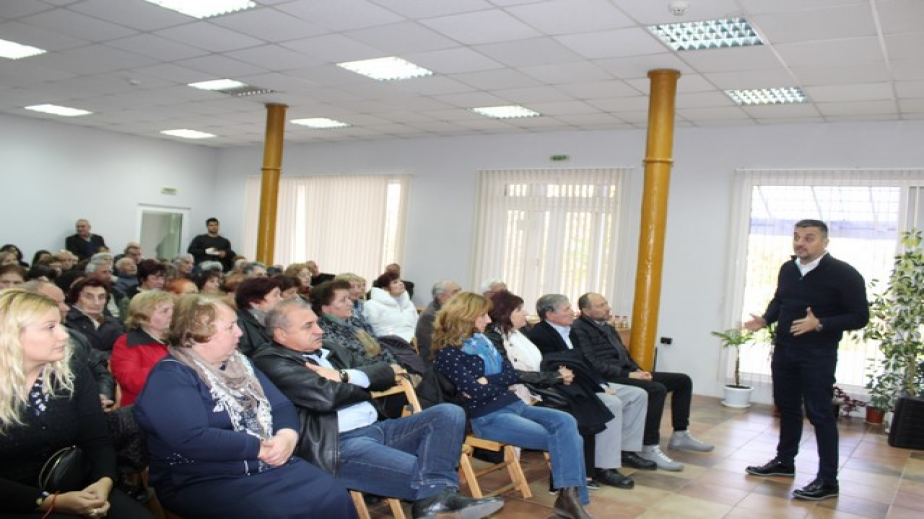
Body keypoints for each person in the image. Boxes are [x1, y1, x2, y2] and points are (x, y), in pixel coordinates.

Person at [253, 299, 504, 519]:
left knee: (449, 412)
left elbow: (384, 372)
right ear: (281, 335)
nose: (319, 330)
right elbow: (326, 397)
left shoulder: (331, 348)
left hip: (380, 428)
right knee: (427, 475)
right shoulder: (271, 360)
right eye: (308, 326)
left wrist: (342, 376)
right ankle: (435, 500)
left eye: (317, 323)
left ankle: (432, 504)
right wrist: (364, 385)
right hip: (339, 443)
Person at [133, 294, 357, 518]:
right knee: (277, 512)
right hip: (202, 476)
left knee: (334, 494)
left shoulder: (240, 363)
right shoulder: (171, 376)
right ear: (199, 332)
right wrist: (259, 448)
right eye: (230, 327)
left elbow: (281, 406)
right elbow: (191, 438)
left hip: (265, 461)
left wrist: (287, 437)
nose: (239, 332)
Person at [433, 292, 594, 519]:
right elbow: (478, 391)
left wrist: (487, 380)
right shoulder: (448, 353)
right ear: (465, 317)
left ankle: (569, 501)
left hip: (515, 405)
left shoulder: (484, 342)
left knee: (566, 420)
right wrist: (492, 383)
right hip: (488, 417)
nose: (489, 320)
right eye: (483, 315)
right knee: (569, 439)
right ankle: (571, 502)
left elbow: (510, 375)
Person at [744, 219, 869, 501]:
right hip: (784, 349)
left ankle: (828, 481)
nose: (800, 243)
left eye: (809, 238)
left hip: (818, 354)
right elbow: (780, 300)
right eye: (797, 236)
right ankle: (784, 462)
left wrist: (820, 323)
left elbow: (860, 317)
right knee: (787, 407)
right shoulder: (788, 269)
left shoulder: (844, 274)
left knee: (820, 413)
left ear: (825, 242)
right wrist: (765, 319)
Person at [0, 289, 152, 518]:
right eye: (50, 327)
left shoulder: (70, 373)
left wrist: (104, 481)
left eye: (60, 325)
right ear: (10, 335)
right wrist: (49, 501)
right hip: (14, 499)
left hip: (75, 482)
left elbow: (97, 439)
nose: (64, 335)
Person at [485, 290, 635, 490]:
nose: (525, 313)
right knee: (575, 411)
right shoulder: (496, 337)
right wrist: (555, 376)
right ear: (505, 314)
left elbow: (559, 363)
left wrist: (559, 375)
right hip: (520, 394)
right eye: (519, 310)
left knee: (585, 404)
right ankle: (570, 479)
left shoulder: (521, 333)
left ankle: (584, 472)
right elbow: (512, 374)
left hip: (539, 387)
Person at [572, 292, 714, 459]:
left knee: (683, 381)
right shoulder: (578, 329)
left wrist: (639, 371)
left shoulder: (607, 327)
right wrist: (628, 374)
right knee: (656, 389)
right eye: (601, 306)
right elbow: (592, 364)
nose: (608, 308)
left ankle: (680, 434)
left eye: (606, 303)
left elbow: (625, 355)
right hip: (608, 377)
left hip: (626, 372)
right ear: (586, 311)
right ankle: (648, 445)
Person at [527, 295, 658, 472]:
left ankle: (626, 451)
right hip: (568, 388)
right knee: (612, 403)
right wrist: (599, 388)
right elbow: (560, 370)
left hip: (588, 382)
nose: (573, 312)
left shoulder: (571, 331)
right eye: (567, 309)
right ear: (550, 314)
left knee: (637, 395)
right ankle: (605, 465)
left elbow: (586, 364)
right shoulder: (539, 335)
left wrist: (602, 384)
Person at [110, 291, 175, 406]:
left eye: (173, 309)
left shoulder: (179, 339)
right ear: (142, 318)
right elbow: (130, 380)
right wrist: (172, 371)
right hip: (145, 407)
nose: (172, 314)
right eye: (165, 311)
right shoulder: (127, 342)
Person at [64, 277, 124, 357]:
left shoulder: (114, 322)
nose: (97, 302)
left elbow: (125, 349)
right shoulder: (66, 321)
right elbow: (78, 352)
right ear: (76, 298)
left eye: (101, 297)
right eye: (89, 297)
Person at [363, 271, 418, 343]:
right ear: (385, 288)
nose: (401, 283)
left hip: (414, 340)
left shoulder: (409, 303)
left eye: (400, 281)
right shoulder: (371, 305)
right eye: (395, 282)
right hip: (390, 343)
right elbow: (373, 331)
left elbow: (417, 324)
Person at [416, 280, 461, 365]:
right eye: (455, 292)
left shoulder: (450, 311)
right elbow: (436, 346)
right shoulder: (430, 316)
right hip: (435, 361)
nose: (460, 295)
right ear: (441, 296)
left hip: (450, 355)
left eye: (460, 290)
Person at [235, 277, 282, 357]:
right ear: (255, 303)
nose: (281, 299)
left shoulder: (273, 319)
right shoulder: (239, 324)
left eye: (280, 294)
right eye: (275, 295)